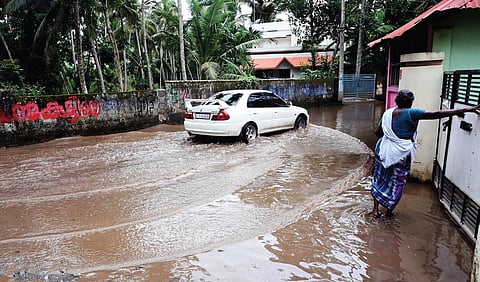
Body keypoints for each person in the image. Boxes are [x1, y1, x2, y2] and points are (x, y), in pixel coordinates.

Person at [368, 89, 480, 218]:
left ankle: (375, 210)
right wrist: (465, 110)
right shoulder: (412, 113)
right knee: (397, 182)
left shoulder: (387, 113)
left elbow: (378, 132)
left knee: (379, 179)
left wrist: (390, 140)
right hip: (401, 155)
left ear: (396, 100)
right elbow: (437, 114)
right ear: (411, 102)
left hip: (383, 150)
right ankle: (388, 211)